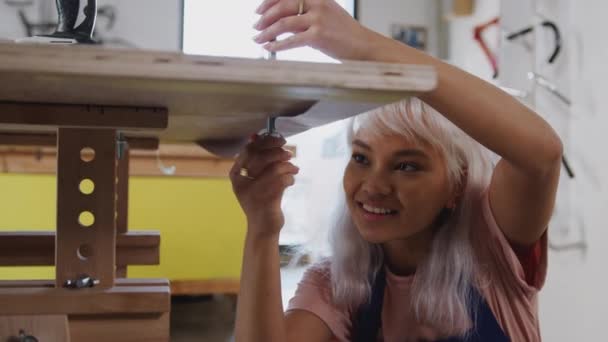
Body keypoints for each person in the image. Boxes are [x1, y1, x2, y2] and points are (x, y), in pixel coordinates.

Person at [230, 0, 562, 341]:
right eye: (361, 158)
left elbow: (541, 155)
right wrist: (262, 228)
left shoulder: (492, 250)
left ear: (456, 185)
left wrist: (363, 44)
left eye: (406, 166)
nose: (373, 185)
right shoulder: (337, 284)